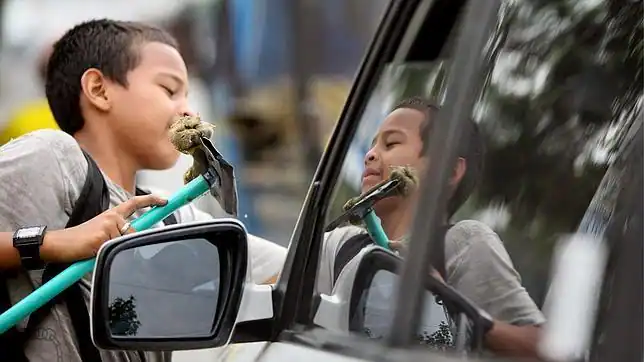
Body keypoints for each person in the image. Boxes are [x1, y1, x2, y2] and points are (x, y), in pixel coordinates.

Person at [0, 19, 286, 362]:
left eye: (188, 96)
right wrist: (56, 243)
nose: (188, 111)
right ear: (99, 90)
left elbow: (299, 264)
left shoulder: (170, 218)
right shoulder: (53, 158)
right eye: (169, 89)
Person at [318, 97, 544, 358]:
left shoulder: (464, 243)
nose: (370, 155)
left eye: (391, 143)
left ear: (448, 171)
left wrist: (458, 311)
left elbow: (542, 348)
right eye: (372, 145)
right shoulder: (340, 243)